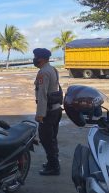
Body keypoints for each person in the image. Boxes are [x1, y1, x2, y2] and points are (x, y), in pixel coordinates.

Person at [33, 48, 63, 176]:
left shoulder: (43, 72)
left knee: (46, 139)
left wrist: (40, 114)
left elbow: (42, 95)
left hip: (48, 112)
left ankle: (54, 167)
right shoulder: (53, 69)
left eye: (36, 57)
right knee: (52, 138)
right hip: (56, 110)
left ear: (43, 58)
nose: (34, 59)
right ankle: (52, 162)